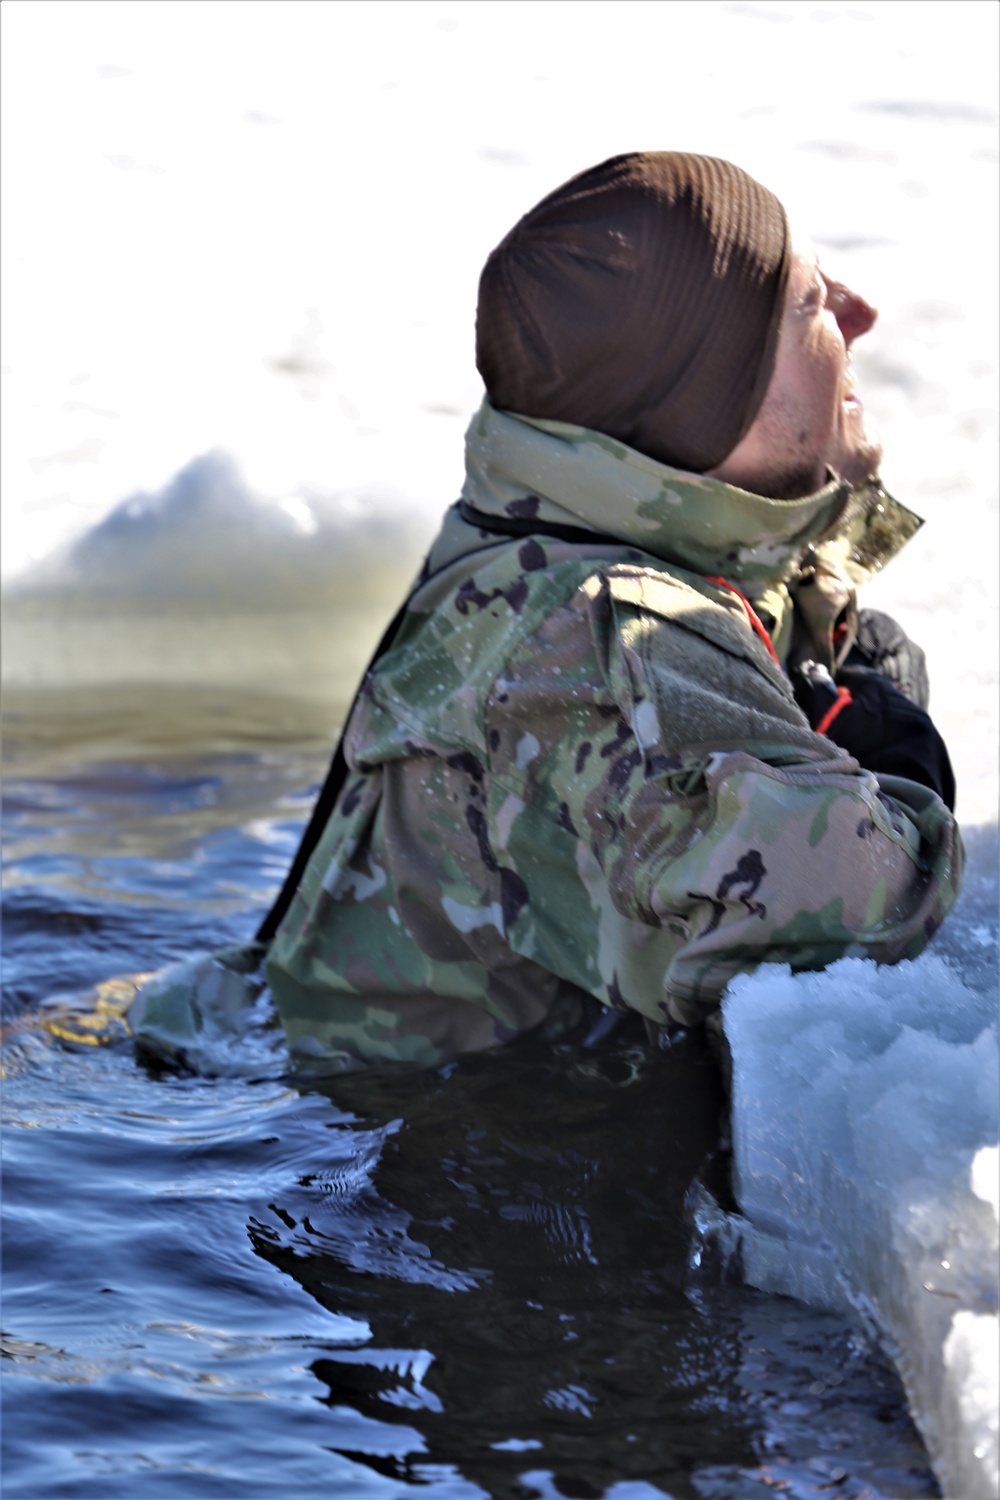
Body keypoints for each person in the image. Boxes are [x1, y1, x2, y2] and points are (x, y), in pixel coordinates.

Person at [128, 152, 961, 1073]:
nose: (860, 315)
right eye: (807, 304)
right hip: (380, 1140)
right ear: (710, 400)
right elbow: (819, 912)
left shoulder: (560, 522)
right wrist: (895, 777)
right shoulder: (605, 628)